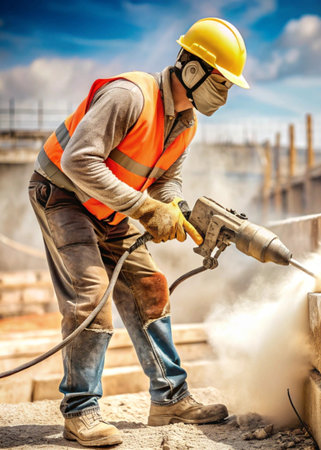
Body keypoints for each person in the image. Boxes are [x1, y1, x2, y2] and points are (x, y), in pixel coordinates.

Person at [28, 17, 249, 447]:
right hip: (61, 195)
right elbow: (78, 161)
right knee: (91, 294)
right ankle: (80, 411)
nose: (224, 96)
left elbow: (166, 180)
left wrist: (173, 208)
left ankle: (170, 398)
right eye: (221, 84)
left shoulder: (186, 123)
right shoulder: (130, 96)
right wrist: (144, 208)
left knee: (151, 286)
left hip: (109, 209)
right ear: (192, 70)